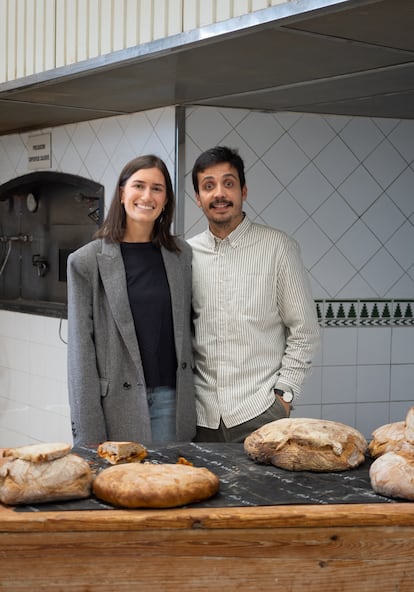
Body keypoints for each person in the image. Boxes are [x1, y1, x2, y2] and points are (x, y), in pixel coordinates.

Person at [188, 146, 320, 443]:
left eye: (228, 183)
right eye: (208, 186)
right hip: (199, 419)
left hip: (260, 414)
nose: (219, 193)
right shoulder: (186, 253)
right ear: (198, 198)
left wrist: (283, 396)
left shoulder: (278, 248)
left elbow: (305, 331)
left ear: (243, 191)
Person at [67, 155, 196, 447]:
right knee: (120, 490)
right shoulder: (86, 262)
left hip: (172, 401)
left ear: (166, 200)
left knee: (170, 489)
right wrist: (88, 435)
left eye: (157, 188)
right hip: (116, 407)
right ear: (122, 192)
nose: (147, 196)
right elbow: (80, 357)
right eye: (139, 185)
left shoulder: (180, 255)